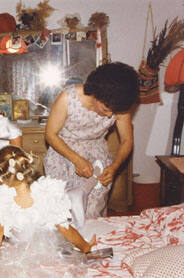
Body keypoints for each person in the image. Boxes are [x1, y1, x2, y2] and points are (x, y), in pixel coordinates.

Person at [0, 145, 95, 274]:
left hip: (30, 249)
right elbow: (66, 229)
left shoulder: (1, 197)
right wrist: (85, 247)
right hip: (49, 250)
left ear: (0, 175)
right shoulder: (46, 193)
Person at [44, 62, 139, 218]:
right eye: (106, 110)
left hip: (97, 157)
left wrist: (114, 167)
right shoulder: (68, 98)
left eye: (114, 112)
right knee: (63, 211)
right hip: (63, 155)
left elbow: (127, 141)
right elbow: (50, 134)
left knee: (92, 209)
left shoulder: (118, 104)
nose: (110, 116)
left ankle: (91, 242)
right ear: (96, 94)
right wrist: (76, 160)